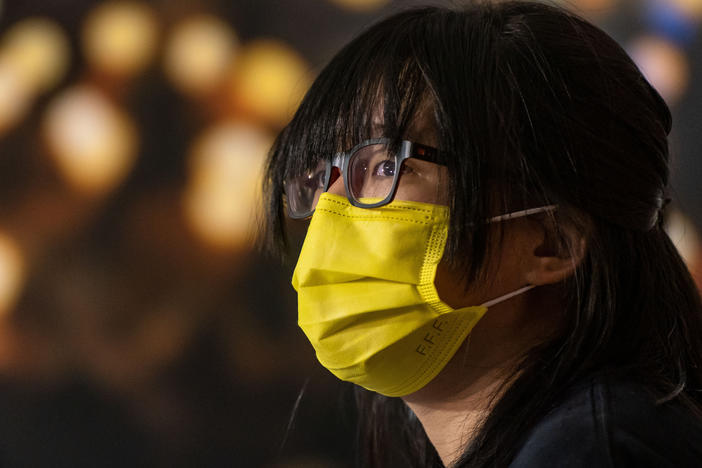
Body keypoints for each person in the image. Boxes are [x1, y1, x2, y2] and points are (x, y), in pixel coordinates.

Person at [261, 1, 702, 466]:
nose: (332, 206)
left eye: (387, 165)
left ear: (551, 240)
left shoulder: (592, 452)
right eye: (322, 176)